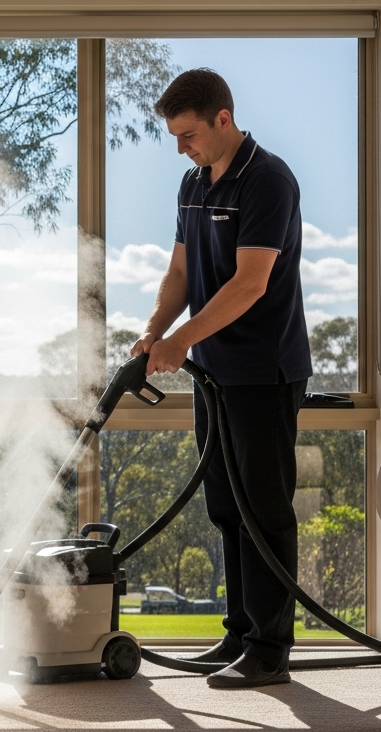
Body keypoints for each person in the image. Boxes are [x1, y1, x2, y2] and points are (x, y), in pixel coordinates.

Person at [129, 68, 311, 689]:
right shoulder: (193, 184)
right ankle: (238, 633)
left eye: (188, 135)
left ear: (222, 120)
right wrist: (156, 329)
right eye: (176, 138)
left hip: (263, 371)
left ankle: (270, 648)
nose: (182, 148)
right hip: (213, 373)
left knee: (263, 507)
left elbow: (251, 282)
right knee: (225, 507)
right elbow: (180, 272)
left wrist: (182, 340)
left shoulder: (268, 179)